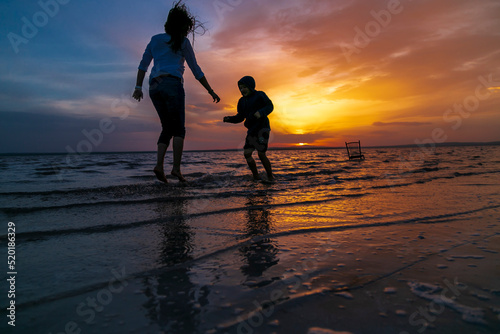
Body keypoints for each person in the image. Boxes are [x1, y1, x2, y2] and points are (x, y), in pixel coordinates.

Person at [132, 1, 220, 183]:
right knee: (179, 129)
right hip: (172, 84)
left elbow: (143, 66)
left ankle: (159, 166)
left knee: (167, 127)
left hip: (154, 86)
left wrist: (138, 87)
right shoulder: (183, 42)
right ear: (183, 26)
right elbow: (196, 71)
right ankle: (177, 169)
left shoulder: (155, 39)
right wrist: (211, 91)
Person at [223, 76, 274, 181]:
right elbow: (240, 117)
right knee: (247, 153)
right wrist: (230, 119)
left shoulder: (260, 95)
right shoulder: (241, 101)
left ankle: (270, 176)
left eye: (244, 87)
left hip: (262, 128)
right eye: (240, 88)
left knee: (261, 153)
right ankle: (256, 176)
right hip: (252, 130)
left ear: (251, 86)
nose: (242, 90)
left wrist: (261, 112)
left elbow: (270, 106)